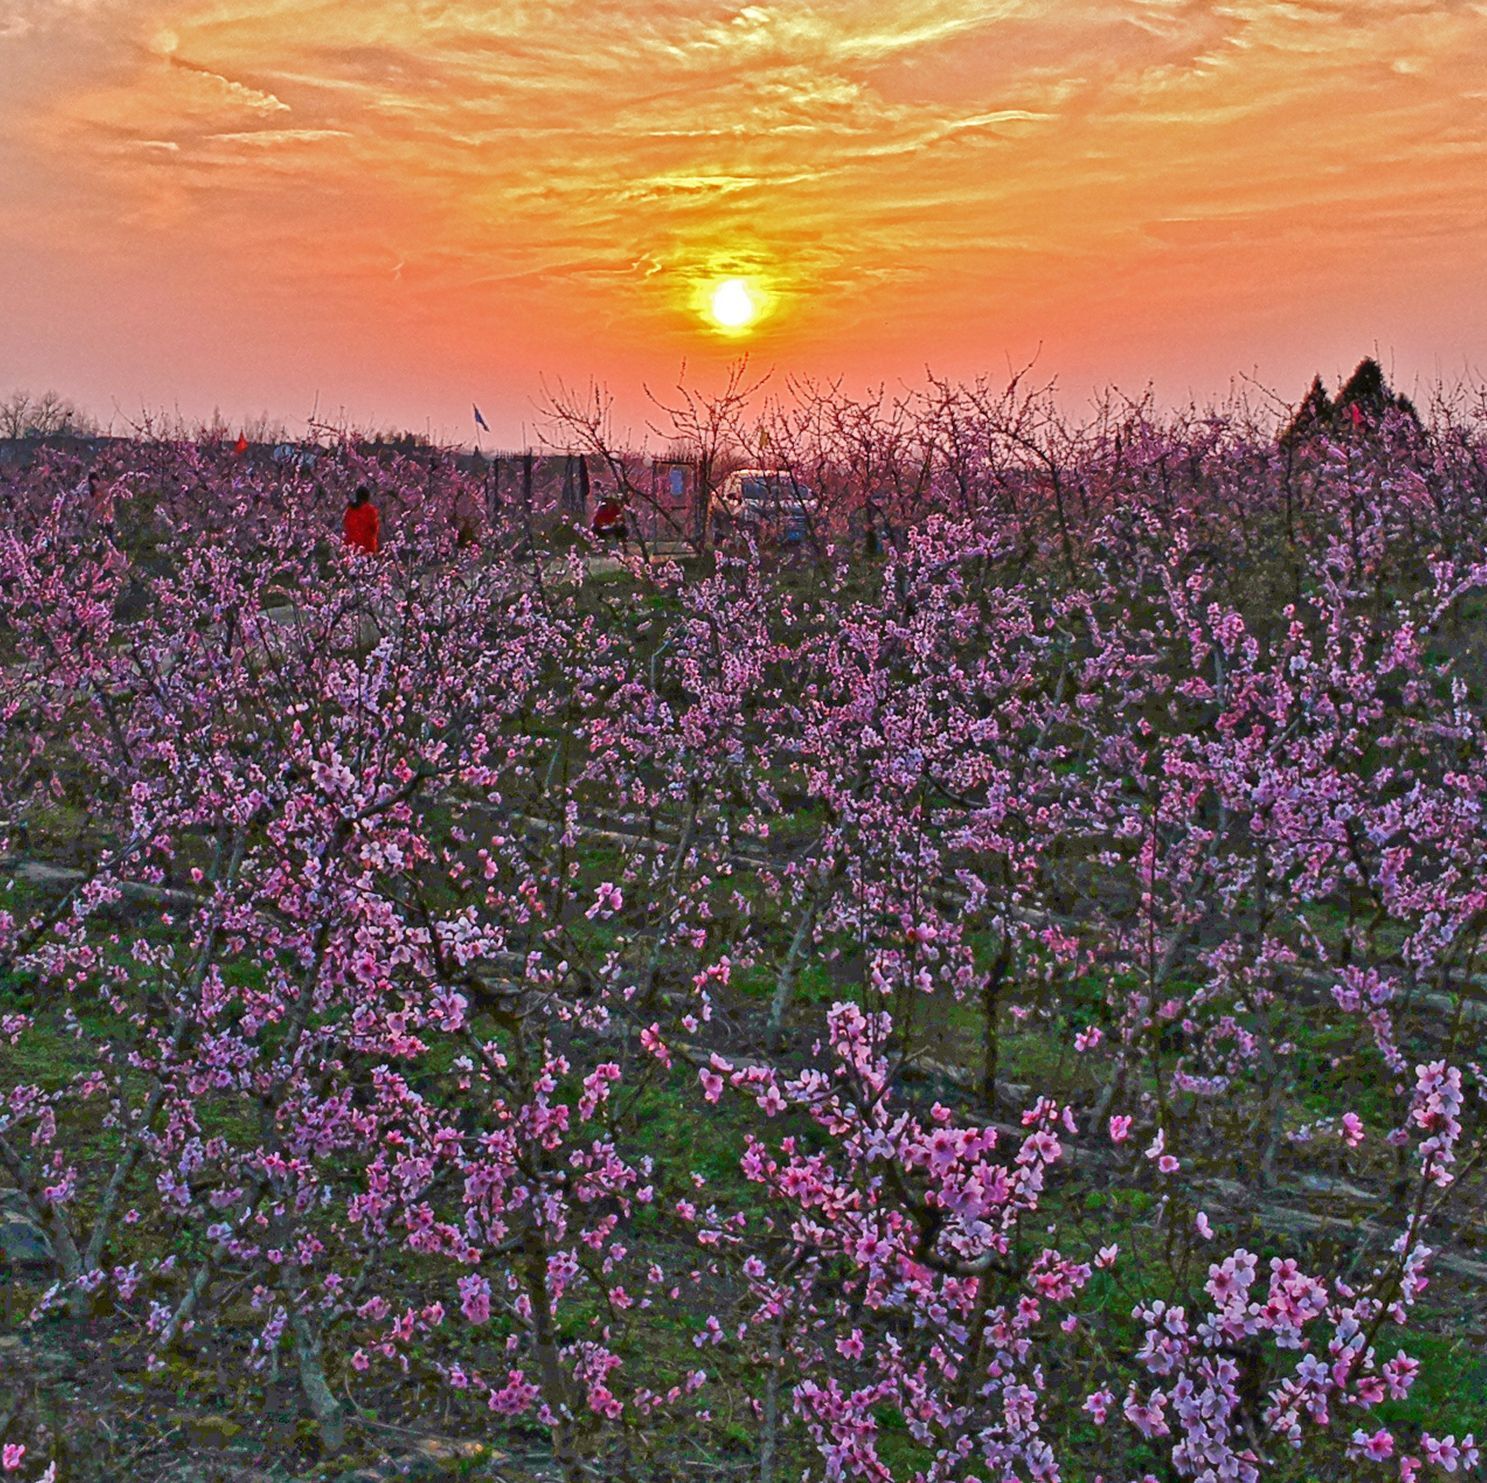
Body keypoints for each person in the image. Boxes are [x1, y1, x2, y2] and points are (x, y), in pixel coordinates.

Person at [343, 485, 380, 555]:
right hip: (368, 547)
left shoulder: (350, 511)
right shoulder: (370, 510)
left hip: (351, 548)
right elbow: (374, 528)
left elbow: (346, 526)